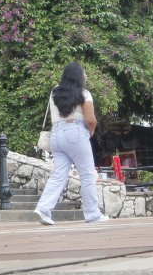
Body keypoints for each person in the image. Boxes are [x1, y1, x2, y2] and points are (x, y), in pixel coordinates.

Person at [33, 62, 110, 225]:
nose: (86, 76)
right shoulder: (84, 93)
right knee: (88, 175)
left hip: (56, 134)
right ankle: (92, 214)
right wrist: (91, 131)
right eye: (84, 73)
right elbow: (90, 119)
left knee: (58, 175)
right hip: (76, 131)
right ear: (78, 76)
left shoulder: (54, 92)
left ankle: (43, 208)